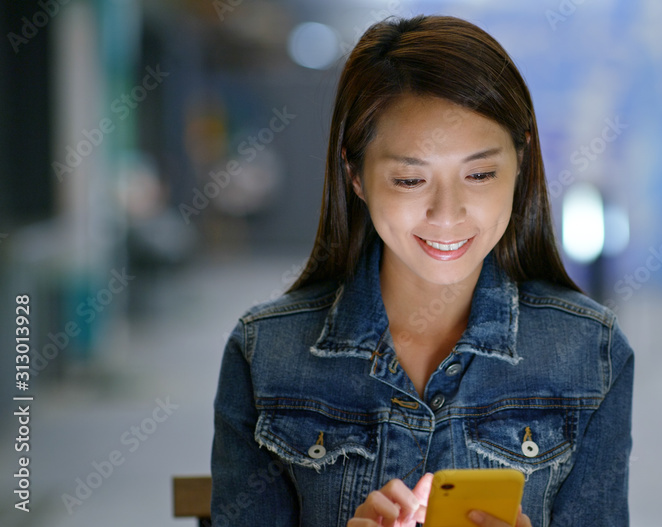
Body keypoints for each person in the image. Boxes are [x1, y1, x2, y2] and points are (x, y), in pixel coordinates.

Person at [210, 14, 635, 527]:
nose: (448, 213)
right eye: (410, 180)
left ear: (520, 162)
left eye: (479, 174)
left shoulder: (590, 352)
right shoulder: (267, 354)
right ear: (356, 176)